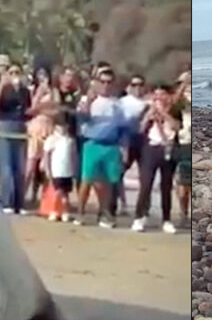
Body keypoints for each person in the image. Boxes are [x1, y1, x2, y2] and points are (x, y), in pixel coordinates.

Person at [75, 68, 129, 228]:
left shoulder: (117, 104)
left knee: (107, 183)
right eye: (102, 82)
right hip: (92, 143)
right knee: (87, 180)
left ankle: (104, 214)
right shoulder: (88, 100)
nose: (105, 85)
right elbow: (82, 118)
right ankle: (80, 213)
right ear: (97, 83)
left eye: (109, 82)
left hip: (111, 146)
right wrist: (89, 101)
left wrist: (124, 148)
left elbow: (122, 129)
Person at [132, 84, 179, 234]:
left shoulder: (175, 109)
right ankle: (139, 217)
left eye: (162, 94)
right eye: (156, 94)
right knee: (146, 185)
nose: (159, 97)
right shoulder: (147, 109)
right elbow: (139, 129)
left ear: (168, 96)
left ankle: (166, 219)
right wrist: (149, 116)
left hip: (169, 149)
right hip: (151, 149)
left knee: (166, 186)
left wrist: (163, 114)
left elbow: (177, 126)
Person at [0, 63, 30, 214]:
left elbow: (27, 109)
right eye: (12, 72)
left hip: (19, 126)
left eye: (17, 72)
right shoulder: (3, 89)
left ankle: (19, 203)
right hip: (4, 124)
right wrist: (2, 84)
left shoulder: (25, 91)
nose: (15, 75)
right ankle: (6, 202)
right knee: (6, 165)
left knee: (19, 166)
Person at [22, 65, 59, 212]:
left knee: (46, 168)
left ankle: (45, 201)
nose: (43, 77)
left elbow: (57, 109)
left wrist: (43, 108)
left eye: (45, 74)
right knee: (30, 166)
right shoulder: (36, 90)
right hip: (36, 128)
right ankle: (21, 198)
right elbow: (32, 108)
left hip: (49, 128)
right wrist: (42, 98)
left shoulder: (54, 91)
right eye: (40, 74)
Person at [117, 74, 149, 213]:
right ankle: (121, 204)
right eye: (134, 85)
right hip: (127, 140)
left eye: (140, 85)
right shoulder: (122, 102)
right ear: (129, 86)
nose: (137, 88)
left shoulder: (149, 102)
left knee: (146, 176)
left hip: (144, 142)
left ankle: (144, 207)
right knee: (119, 173)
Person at [43, 119, 77, 223]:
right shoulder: (51, 139)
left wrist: (75, 169)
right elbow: (46, 155)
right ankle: (54, 211)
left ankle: (65, 212)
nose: (62, 128)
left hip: (67, 171)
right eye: (59, 126)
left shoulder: (70, 140)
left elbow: (74, 156)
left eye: (64, 126)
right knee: (58, 192)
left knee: (65, 193)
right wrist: (47, 169)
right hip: (56, 171)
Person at [175, 100, 192, 226]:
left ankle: (185, 214)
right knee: (182, 185)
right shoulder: (177, 112)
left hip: (189, 146)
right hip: (181, 147)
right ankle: (183, 214)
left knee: (188, 185)